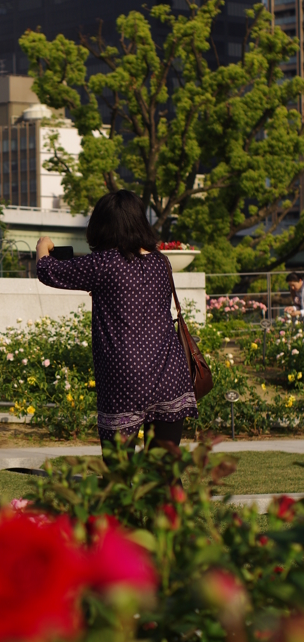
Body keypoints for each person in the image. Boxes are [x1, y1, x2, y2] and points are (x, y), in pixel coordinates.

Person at [35, 190, 197, 449]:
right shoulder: (161, 262)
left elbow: (47, 270)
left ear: (101, 225)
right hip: (169, 375)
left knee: (119, 475)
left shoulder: (103, 263)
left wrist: (43, 245)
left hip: (123, 379)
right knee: (165, 473)